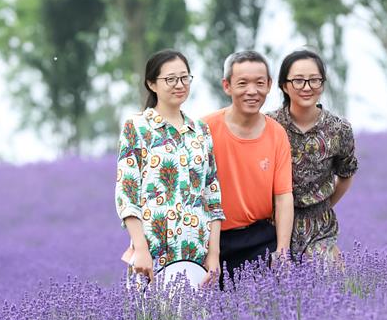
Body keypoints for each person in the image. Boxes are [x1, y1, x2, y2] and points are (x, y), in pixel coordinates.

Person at [115, 50, 224, 287]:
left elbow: (212, 198)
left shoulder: (201, 131)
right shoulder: (137, 127)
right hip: (152, 253)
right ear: (152, 84)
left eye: (185, 78)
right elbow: (127, 193)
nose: (179, 85)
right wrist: (141, 248)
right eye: (170, 79)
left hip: (196, 253)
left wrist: (213, 255)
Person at [203, 50, 293, 285]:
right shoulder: (204, 129)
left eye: (260, 83)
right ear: (227, 86)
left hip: (259, 238)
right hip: (211, 241)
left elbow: (283, 197)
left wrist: (282, 251)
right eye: (242, 83)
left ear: (269, 85)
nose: (252, 91)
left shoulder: (276, 134)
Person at [270, 49, 358, 264]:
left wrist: (325, 205)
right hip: (273, 224)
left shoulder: (339, 128)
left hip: (320, 227)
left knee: (323, 287)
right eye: (298, 81)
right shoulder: (270, 126)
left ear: (323, 84)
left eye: (314, 80)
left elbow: (346, 174)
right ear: (284, 85)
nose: (307, 87)